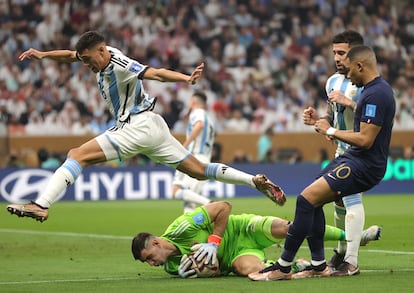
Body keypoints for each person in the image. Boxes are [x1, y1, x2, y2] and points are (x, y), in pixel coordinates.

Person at [6, 31, 286, 223]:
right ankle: (254, 181)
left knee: (76, 155)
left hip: (135, 126)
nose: (88, 65)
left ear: (102, 51)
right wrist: (43, 55)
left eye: (90, 59)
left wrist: (186, 79)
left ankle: (41, 205)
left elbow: (153, 73)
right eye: (86, 60)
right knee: (199, 172)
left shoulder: (118, 62)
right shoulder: (94, 56)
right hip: (154, 127)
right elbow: (70, 55)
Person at [248, 45, 395, 281]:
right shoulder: (372, 90)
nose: (347, 77)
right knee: (310, 200)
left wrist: (332, 130)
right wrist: (324, 123)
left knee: (306, 200)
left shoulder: (376, 94)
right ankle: (318, 265)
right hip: (354, 157)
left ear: (360, 66)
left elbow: (366, 139)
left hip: (365, 163)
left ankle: (283, 267)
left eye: (350, 72)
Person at [131, 201, 381, 278]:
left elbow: (223, 207)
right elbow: (218, 271)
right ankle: (299, 266)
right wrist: (205, 272)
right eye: (148, 263)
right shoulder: (174, 268)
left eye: (150, 258)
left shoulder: (182, 227)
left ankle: (355, 237)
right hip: (234, 257)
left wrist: (214, 241)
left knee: (290, 228)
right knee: (257, 274)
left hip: (242, 228)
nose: (153, 264)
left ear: (156, 243)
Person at [302, 30, 381, 274]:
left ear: (356, 55)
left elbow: (378, 112)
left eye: (342, 53)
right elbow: (332, 115)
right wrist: (318, 119)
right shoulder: (332, 81)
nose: (336, 58)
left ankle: (352, 260)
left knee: (349, 197)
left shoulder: (367, 85)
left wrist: (351, 103)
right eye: (334, 52)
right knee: (338, 202)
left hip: (361, 153)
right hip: (341, 151)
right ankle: (340, 252)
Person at [172, 91, 214, 212]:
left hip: (195, 157)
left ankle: (209, 203)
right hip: (204, 158)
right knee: (189, 200)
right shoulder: (209, 118)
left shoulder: (197, 113)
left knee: (176, 191)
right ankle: (188, 229)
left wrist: (184, 145)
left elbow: (199, 125)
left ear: (193, 101)